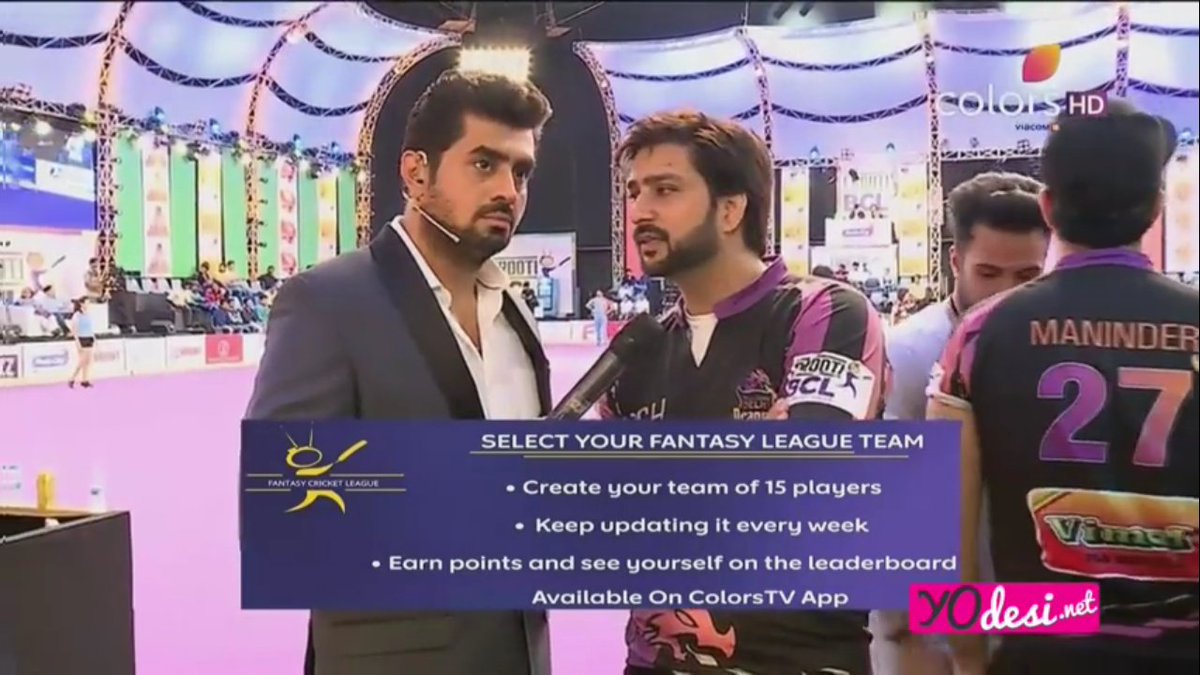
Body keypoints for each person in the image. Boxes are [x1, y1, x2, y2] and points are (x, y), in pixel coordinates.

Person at [245, 70, 554, 675]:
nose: (508, 190)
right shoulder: (327, 302)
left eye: (521, 172)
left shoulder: (516, 317)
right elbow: (281, 511)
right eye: (484, 164)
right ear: (416, 173)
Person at [598, 110, 889, 675]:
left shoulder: (825, 311)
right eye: (634, 193)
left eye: (665, 190)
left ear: (731, 210)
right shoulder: (634, 354)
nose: (640, 211)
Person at [930, 99, 1198, 674]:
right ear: (1156, 208)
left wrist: (968, 659)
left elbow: (942, 535)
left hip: (1040, 642)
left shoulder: (978, 333)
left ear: (1047, 207)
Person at [871, 172, 1048, 674]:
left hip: (1035, 614)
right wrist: (908, 633)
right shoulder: (910, 353)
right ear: (955, 262)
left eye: (1027, 275)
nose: (1006, 293)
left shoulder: (1054, 345)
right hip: (935, 629)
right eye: (988, 273)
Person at [67, 297, 94, 389]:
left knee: (88, 360)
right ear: (82, 304)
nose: (88, 304)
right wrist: (77, 341)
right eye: (87, 303)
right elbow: (74, 330)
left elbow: (90, 328)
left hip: (89, 337)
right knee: (82, 360)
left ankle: (85, 379)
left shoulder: (88, 314)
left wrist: (94, 339)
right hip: (81, 338)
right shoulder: (77, 315)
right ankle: (72, 378)